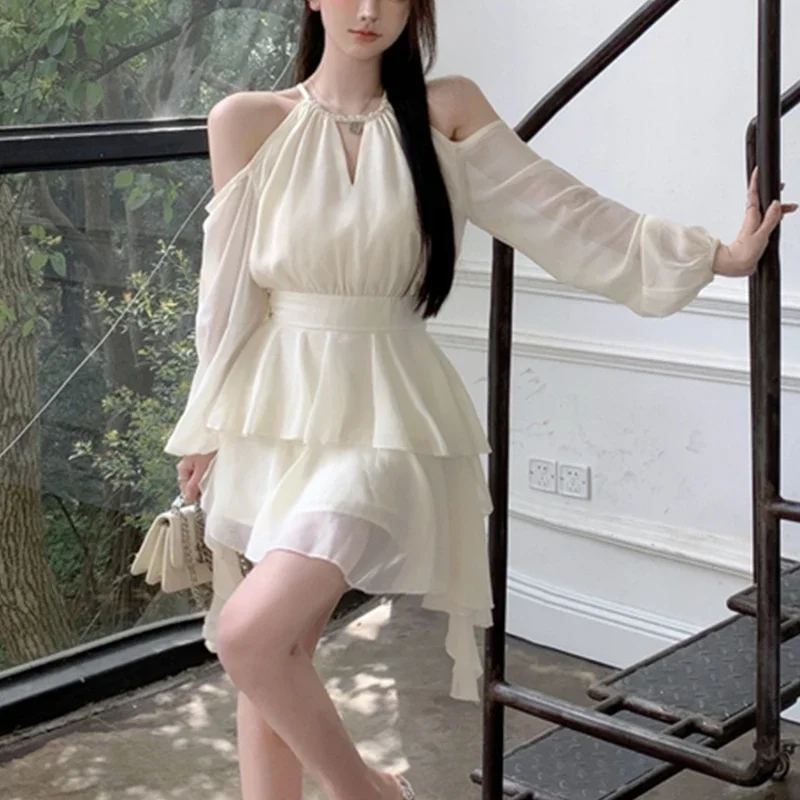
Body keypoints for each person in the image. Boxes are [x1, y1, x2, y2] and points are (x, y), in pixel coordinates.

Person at [162, 1, 796, 798]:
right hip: (276, 410)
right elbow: (225, 295)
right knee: (279, 651)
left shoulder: (446, 111)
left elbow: (563, 212)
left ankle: (369, 792)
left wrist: (712, 256)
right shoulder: (247, 121)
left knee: (250, 636)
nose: (369, 10)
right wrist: (205, 423)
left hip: (392, 414)